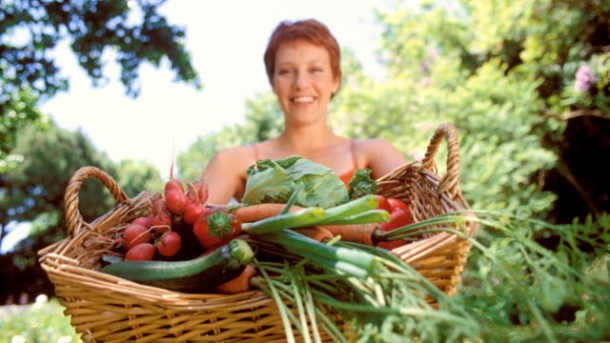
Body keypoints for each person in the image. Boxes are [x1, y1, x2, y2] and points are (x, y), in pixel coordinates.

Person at [205, 19, 406, 205]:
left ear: (335, 80)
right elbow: (192, 231)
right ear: (273, 82)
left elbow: (423, 221)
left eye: (315, 70)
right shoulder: (233, 163)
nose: (301, 84)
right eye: (286, 71)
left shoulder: (372, 154)